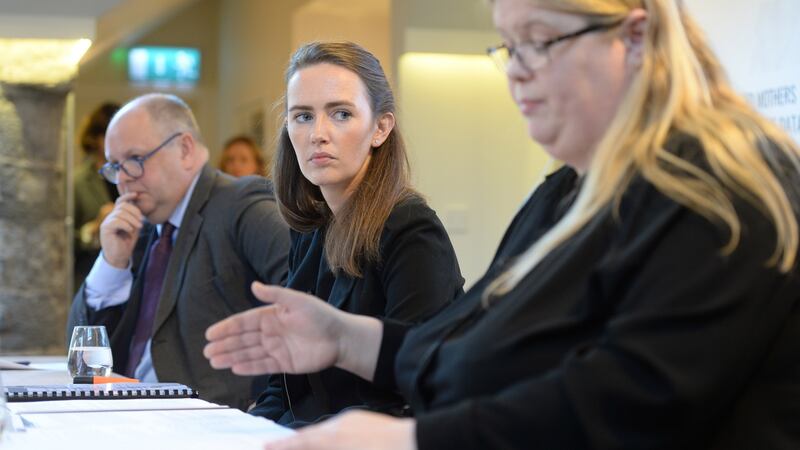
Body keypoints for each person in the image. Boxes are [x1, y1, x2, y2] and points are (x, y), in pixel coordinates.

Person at [204, 0, 800, 448]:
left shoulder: (725, 182)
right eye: (510, 48)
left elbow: (635, 399)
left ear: (636, 37)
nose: (517, 71)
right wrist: (344, 338)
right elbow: (478, 342)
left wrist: (408, 441)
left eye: (541, 41)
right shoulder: (568, 192)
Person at [245, 42, 464, 427]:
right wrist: (247, 431)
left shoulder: (411, 229)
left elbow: (410, 387)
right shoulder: (311, 228)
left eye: (341, 114)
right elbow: (283, 384)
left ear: (380, 128)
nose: (318, 134)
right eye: (302, 117)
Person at [68, 93, 290, 410]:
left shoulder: (242, 204)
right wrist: (112, 262)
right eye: (115, 167)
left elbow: (307, 306)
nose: (123, 181)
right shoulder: (140, 229)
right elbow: (80, 358)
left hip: (209, 423)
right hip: (126, 413)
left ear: (185, 149)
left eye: (134, 161)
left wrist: (266, 411)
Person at [73, 102, 120, 291]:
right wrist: (92, 229)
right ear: (97, 138)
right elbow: (62, 241)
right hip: (92, 277)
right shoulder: (78, 181)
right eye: (111, 134)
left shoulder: (132, 175)